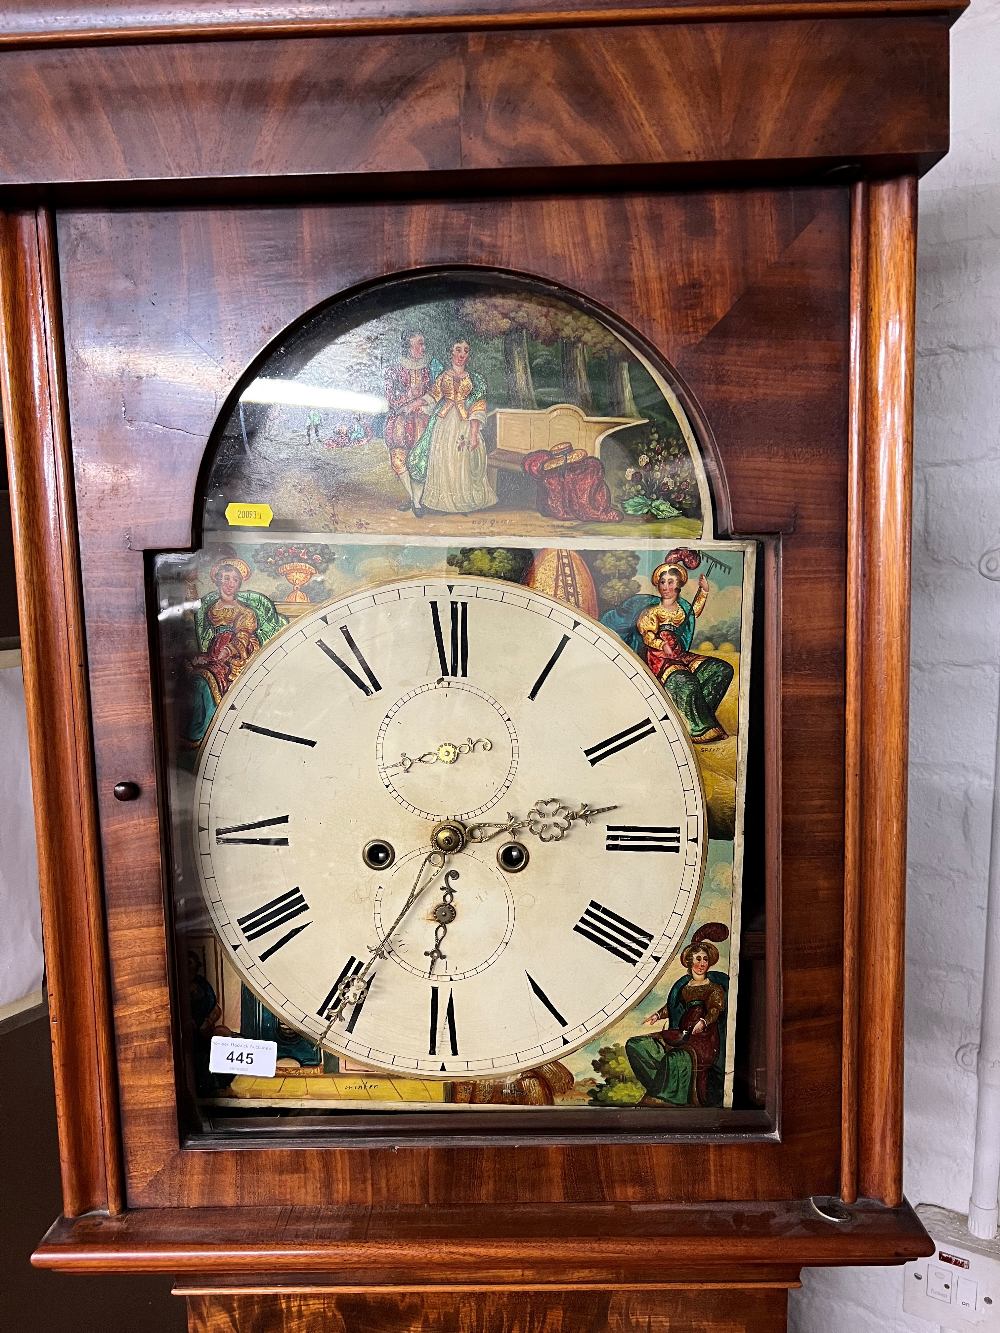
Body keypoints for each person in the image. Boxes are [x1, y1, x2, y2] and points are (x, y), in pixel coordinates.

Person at [601, 548, 734, 743]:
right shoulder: (651, 611)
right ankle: (698, 729)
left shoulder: (682, 608)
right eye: (662, 582)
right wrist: (662, 645)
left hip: (679, 656)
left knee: (720, 670)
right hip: (658, 659)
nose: (666, 586)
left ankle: (696, 717)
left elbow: (693, 612)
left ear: (678, 584)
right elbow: (648, 637)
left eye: (670, 582)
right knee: (685, 681)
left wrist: (704, 591)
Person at [183, 557, 286, 744]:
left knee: (202, 682)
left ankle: (204, 733)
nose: (230, 583)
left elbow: (243, 638)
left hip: (238, 656)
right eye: (226, 578)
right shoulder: (209, 608)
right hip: (215, 653)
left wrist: (227, 652)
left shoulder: (246, 612)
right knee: (191, 676)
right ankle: (200, 730)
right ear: (218, 580)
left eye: (235, 580)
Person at [625, 923, 729, 1107]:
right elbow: (673, 1007)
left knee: (673, 1060)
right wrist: (658, 1015)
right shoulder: (683, 986)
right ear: (689, 962)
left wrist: (704, 1022)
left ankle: (665, 1099)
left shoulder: (714, 988)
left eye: (705, 959)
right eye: (697, 959)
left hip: (701, 1042)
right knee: (636, 1045)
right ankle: (661, 1086)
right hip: (680, 1035)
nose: (701, 963)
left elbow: (715, 1009)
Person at [408, 339, 497, 515]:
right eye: (458, 350)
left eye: (465, 351)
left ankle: (463, 502)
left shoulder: (475, 380)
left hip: (465, 423)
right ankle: (443, 503)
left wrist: (473, 432)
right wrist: (414, 404)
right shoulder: (443, 376)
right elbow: (432, 397)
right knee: (444, 459)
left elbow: (478, 405)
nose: (461, 355)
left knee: (462, 461)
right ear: (451, 352)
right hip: (444, 422)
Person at [384, 329, 434, 511]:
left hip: (422, 421)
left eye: (423, 343)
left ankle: (418, 502)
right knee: (399, 460)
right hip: (400, 423)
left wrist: (421, 403)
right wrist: (407, 399)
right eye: (419, 343)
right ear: (408, 346)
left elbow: (432, 393)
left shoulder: (426, 370)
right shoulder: (394, 370)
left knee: (421, 461)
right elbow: (390, 397)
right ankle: (415, 499)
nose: (423, 347)